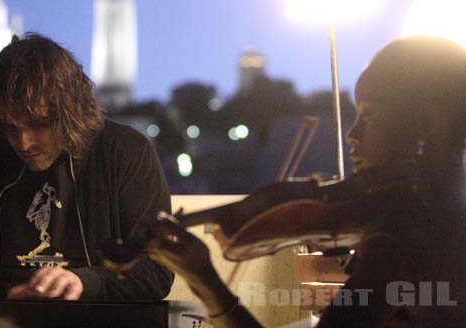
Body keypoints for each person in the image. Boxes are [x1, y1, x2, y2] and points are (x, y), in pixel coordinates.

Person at [147, 36, 466, 327]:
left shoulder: (400, 234)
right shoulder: (446, 212)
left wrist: (206, 282)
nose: (352, 136)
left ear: (427, 123)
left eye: (369, 116)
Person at [0, 34, 174, 301]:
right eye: (10, 127)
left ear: (71, 109)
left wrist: (82, 282)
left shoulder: (124, 150)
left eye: (39, 123)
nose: (24, 142)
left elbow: (156, 271)